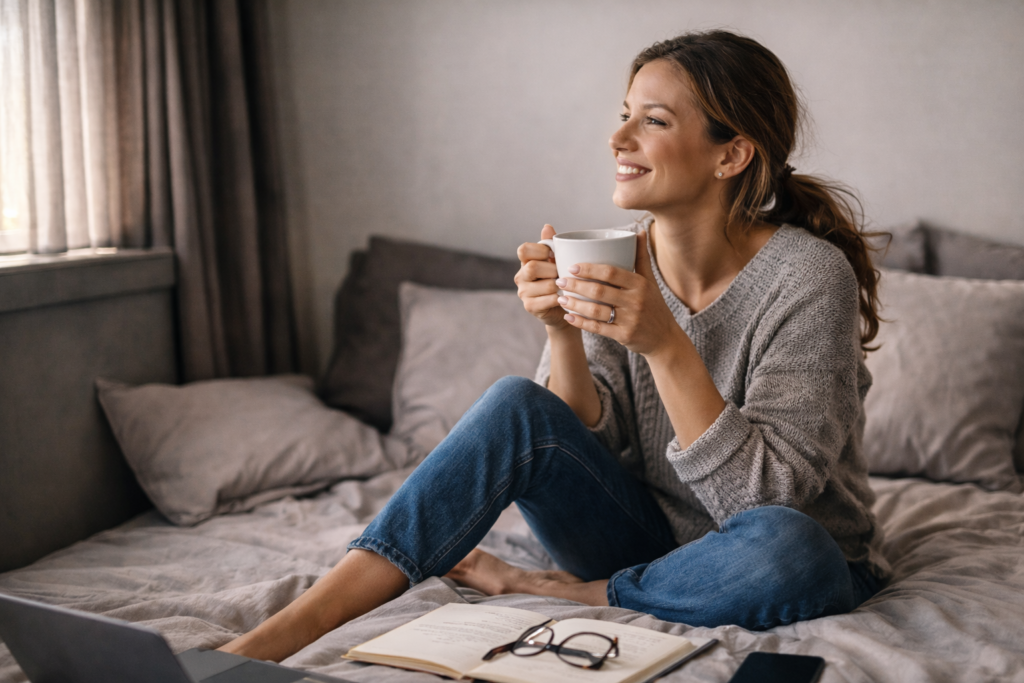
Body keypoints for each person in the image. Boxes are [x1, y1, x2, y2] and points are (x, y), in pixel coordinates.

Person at [221, 30, 890, 663]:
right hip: (640, 533)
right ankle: (283, 631)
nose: (617, 137)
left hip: (769, 552)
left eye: (652, 121)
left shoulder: (808, 277)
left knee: (792, 548)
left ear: (731, 154)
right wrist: (562, 333)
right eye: (624, 114)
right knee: (518, 401)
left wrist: (664, 344)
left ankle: (572, 593)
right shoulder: (617, 256)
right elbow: (576, 450)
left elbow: (759, 504)